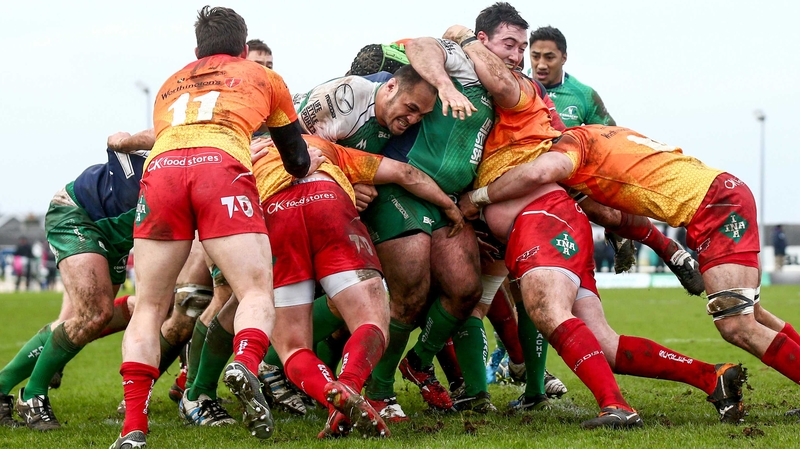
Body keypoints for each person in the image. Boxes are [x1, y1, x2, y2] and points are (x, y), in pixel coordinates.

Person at [449, 5, 748, 425]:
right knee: (604, 344)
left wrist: (460, 37)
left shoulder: (517, 87)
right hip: (554, 220)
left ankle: (616, 406)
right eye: (512, 47)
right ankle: (710, 377)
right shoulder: (490, 91)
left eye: (522, 47)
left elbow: (564, 158)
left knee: (545, 309)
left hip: (544, 218)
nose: (520, 57)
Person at [458, 121, 800, 418]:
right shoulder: (608, 135)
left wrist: (477, 197)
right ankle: (710, 378)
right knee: (751, 314)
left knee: (736, 324)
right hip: (723, 194)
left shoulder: (571, 145)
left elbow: (543, 174)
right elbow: (613, 211)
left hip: (715, 207)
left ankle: (613, 405)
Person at [110, 6, 323, 448]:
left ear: (197, 51)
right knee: (255, 290)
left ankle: (133, 427)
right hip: (220, 168)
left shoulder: (171, 82)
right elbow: (297, 159)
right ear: (244, 50)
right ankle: (245, 361)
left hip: (162, 171)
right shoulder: (264, 76)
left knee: (149, 306)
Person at [252, 131, 463, 438]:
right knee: (371, 319)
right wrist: (449, 206)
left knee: (292, 346)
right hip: (328, 203)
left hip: (274, 214)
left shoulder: (246, 152)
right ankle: (348, 384)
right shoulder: (321, 144)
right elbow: (405, 172)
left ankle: (330, 392)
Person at [4, 129, 152, 431]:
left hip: (117, 236)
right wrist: (129, 140)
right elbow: (115, 140)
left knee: (96, 316)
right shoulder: (177, 142)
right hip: (78, 213)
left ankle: (4, 383)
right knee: (93, 315)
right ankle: (32, 396)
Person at [528, 26, 615, 128]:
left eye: (549, 58)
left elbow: (612, 135)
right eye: (535, 57)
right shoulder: (516, 86)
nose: (541, 65)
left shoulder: (585, 94)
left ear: (564, 58)